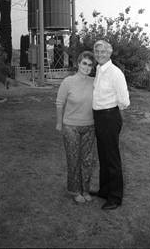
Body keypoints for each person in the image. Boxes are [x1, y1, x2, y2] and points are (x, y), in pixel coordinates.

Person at [90, 40, 130, 210]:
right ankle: (104, 190)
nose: (99, 54)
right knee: (103, 156)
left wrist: (114, 116)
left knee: (112, 158)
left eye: (103, 51)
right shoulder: (99, 69)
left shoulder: (115, 73)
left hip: (109, 117)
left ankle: (115, 197)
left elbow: (124, 101)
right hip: (99, 117)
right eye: (97, 51)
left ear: (109, 53)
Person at [56, 51, 96, 204]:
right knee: (73, 159)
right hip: (71, 127)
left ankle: (85, 189)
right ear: (78, 63)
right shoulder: (68, 82)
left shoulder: (94, 81)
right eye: (84, 63)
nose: (87, 67)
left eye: (90, 64)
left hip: (89, 127)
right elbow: (59, 103)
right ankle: (75, 190)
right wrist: (59, 123)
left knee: (87, 160)